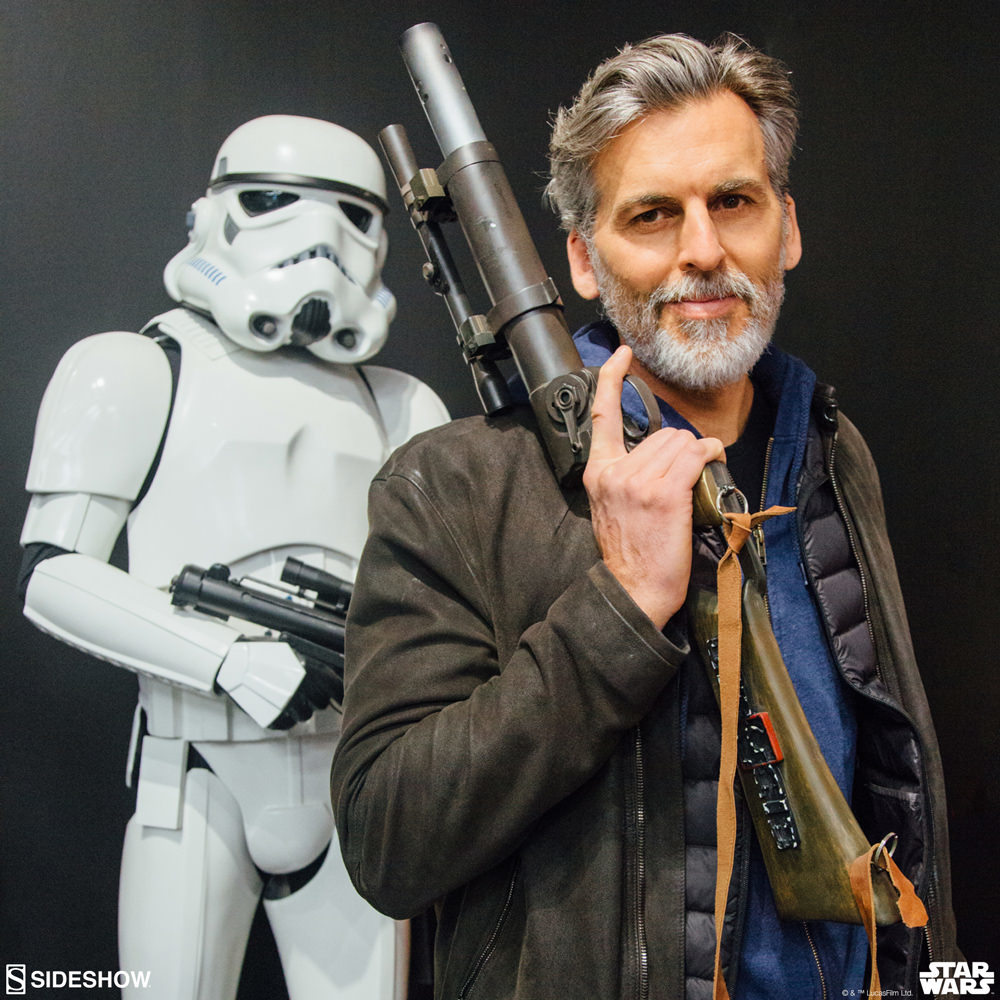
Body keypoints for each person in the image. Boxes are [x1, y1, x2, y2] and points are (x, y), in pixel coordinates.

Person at [330, 34, 960, 1000]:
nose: (702, 250)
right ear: (584, 259)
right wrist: (619, 607)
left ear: (785, 229)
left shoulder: (836, 452)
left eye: (733, 203)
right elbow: (387, 844)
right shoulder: (451, 486)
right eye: (653, 216)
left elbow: (897, 784)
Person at [19, 115, 448, 999]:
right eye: (274, 203)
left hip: (351, 773)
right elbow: (48, 575)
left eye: (353, 216)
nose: (319, 241)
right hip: (194, 772)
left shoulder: (404, 406)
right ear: (212, 216)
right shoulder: (134, 369)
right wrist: (226, 658)